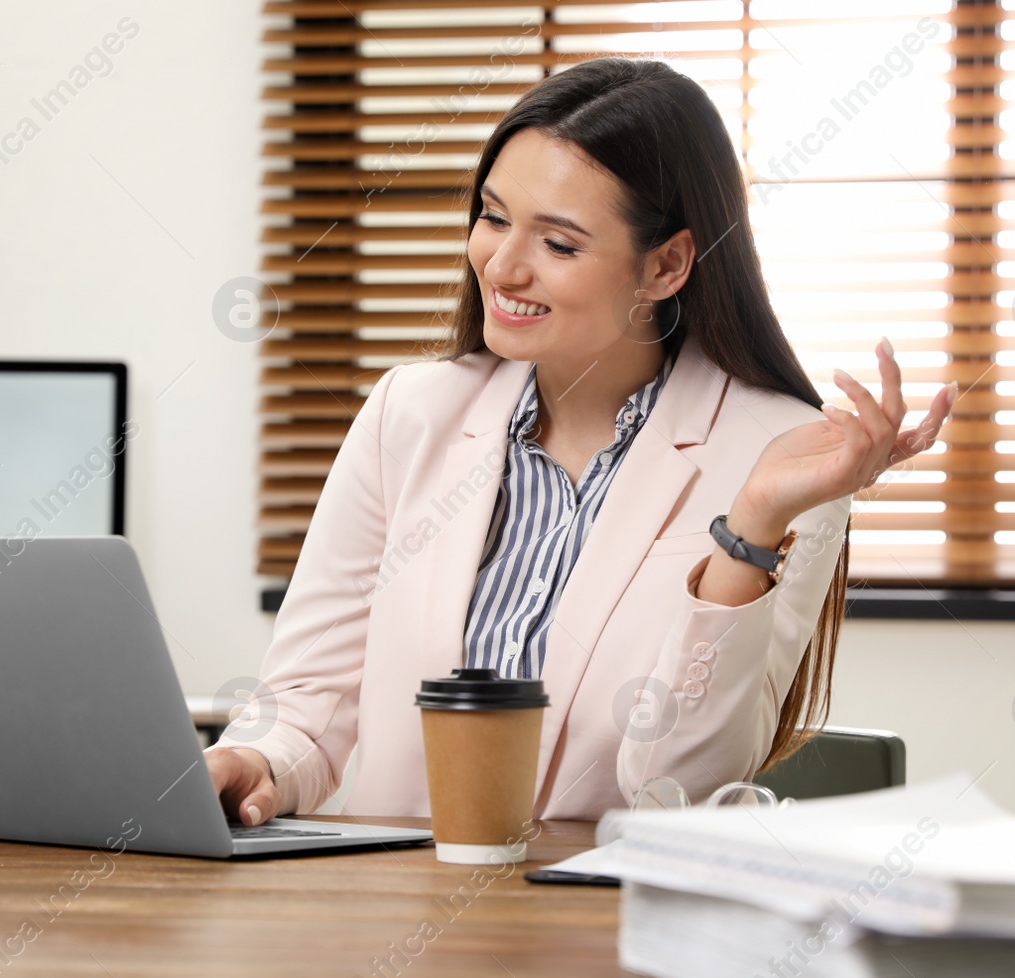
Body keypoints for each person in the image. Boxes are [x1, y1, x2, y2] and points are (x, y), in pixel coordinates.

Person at [206, 57, 954, 826]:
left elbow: (678, 788)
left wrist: (754, 527)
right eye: (494, 217)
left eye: (558, 245)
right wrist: (255, 759)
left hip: (603, 928)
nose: (501, 265)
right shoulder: (411, 415)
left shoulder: (785, 460)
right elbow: (306, 701)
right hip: (396, 916)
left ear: (665, 265)